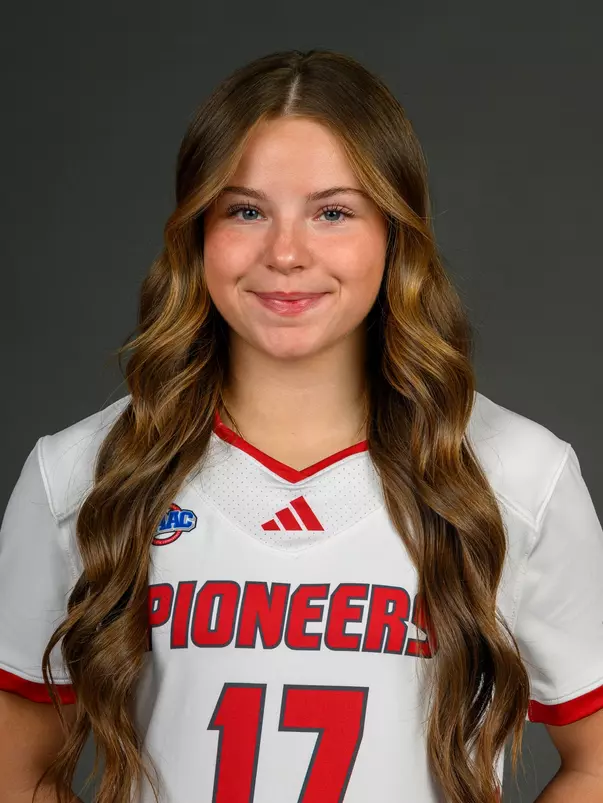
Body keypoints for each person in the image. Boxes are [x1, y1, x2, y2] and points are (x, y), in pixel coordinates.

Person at [1, 48, 602, 803]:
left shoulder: (517, 475)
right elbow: (15, 769)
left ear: (393, 232)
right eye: (245, 210)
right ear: (196, 231)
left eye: (333, 212)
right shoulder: (81, 474)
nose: (285, 253)